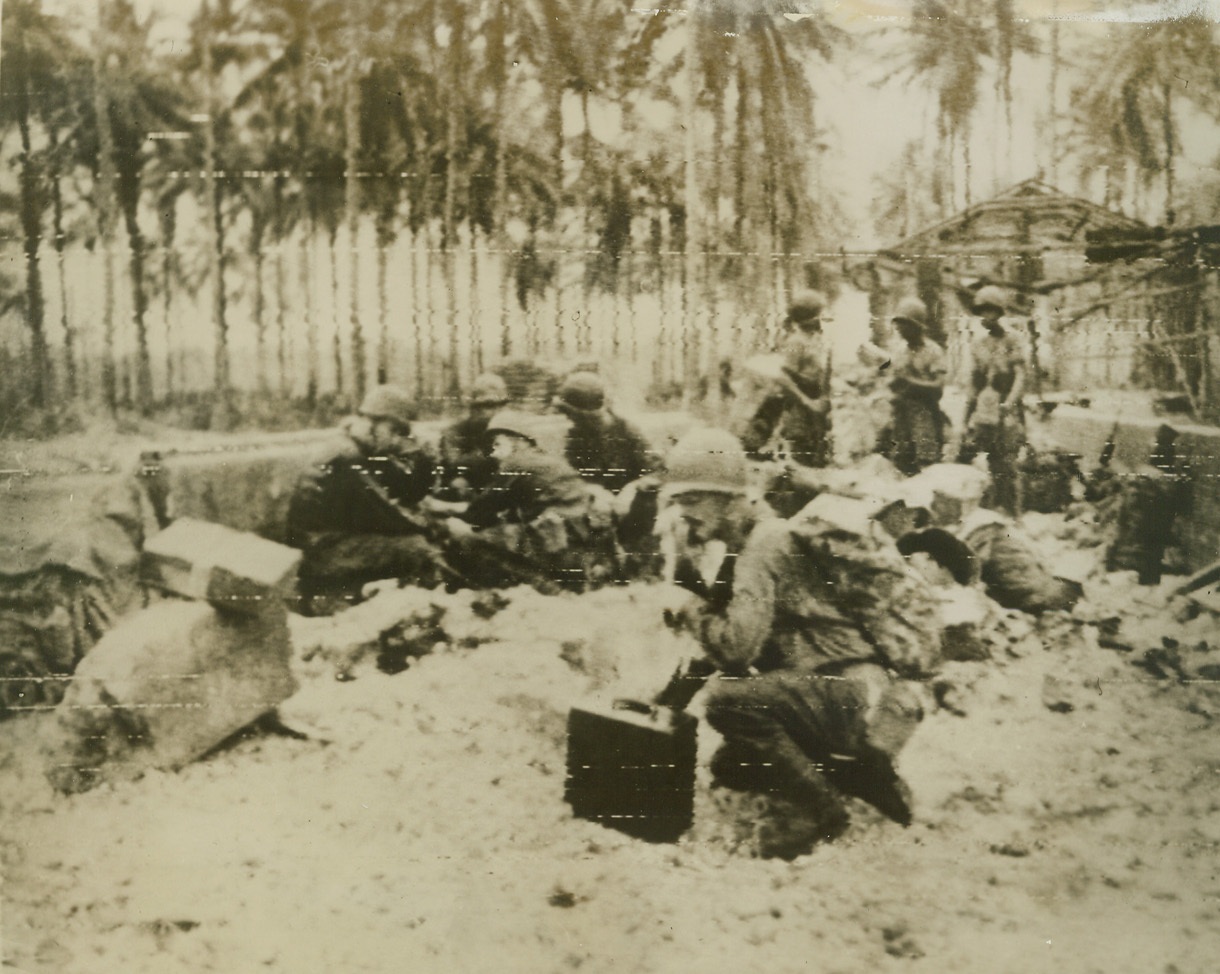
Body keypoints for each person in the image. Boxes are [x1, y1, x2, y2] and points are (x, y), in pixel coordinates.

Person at [657, 428, 933, 859]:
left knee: (727, 702)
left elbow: (735, 651)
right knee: (731, 766)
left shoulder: (763, 547)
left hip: (853, 698)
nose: (683, 513)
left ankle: (821, 812)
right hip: (863, 698)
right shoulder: (747, 546)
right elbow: (712, 647)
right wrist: (663, 707)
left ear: (730, 498)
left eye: (693, 499)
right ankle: (864, 777)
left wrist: (693, 610)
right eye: (678, 501)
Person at [286, 385, 452, 612]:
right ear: (374, 423)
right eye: (394, 431)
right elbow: (389, 517)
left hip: (343, 541)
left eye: (401, 433)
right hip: (321, 553)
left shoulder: (366, 449)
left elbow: (410, 491)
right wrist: (432, 527)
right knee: (417, 548)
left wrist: (418, 454)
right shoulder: (346, 456)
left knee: (427, 537)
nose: (396, 439)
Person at [441, 409, 617, 592]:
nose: (494, 453)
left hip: (562, 552)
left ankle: (547, 587)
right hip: (587, 553)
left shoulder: (515, 463)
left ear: (517, 440)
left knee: (468, 541)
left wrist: (443, 508)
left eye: (497, 444)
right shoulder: (550, 461)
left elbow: (478, 511)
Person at [741, 290, 834, 468]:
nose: (824, 318)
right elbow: (783, 376)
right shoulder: (796, 342)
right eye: (821, 314)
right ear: (810, 318)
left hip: (813, 407)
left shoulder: (815, 341)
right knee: (799, 454)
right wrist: (806, 401)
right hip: (796, 408)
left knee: (817, 453)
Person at [959, 285, 1027, 513]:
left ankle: (1012, 513)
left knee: (1006, 463)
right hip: (984, 409)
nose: (986, 317)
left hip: (1005, 407)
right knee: (973, 457)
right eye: (982, 312)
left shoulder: (1012, 340)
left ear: (1000, 313)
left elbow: (1020, 375)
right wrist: (964, 420)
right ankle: (983, 509)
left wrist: (1010, 402)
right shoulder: (978, 344)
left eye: (991, 311)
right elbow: (973, 384)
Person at [554, 371, 656, 494]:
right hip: (593, 502)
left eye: (572, 414)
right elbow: (566, 476)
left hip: (629, 503)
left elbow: (654, 472)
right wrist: (589, 489)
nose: (569, 418)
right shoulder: (576, 437)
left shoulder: (628, 432)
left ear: (587, 415)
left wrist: (635, 487)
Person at [881, 297, 948, 475]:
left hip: (925, 415)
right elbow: (892, 384)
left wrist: (910, 382)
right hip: (901, 415)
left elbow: (938, 388)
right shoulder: (899, 351)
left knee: (927, 465)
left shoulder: (933, 351)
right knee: (899, 464)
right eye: (898, 324)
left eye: (904, 324)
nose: (900, 329)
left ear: (916, 326)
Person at [438, 372, 510, 496]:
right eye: (489, 406)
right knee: (459, 483)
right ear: (474, 409)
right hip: (468, 485)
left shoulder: (507, 429)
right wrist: (488, 453)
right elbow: (455, 464)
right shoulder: (455, 432)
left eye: (501, 405)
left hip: (499, 485)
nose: (497, 412)